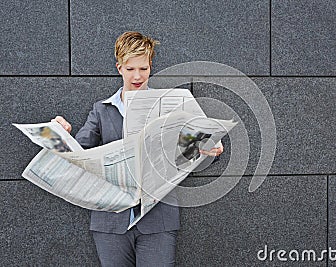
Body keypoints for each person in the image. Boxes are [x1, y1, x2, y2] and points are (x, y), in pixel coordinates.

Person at [53, 31, 223, 267]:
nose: (137, 76)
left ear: (150, 66)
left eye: (143, 68)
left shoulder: (170, 106)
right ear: (119, 67)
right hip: (110, 221)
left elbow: (190, 156)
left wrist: (207, 147)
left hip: (158, 219)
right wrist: (62, 133)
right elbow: (77, 153)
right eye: (130, 68)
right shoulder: (101, 111)